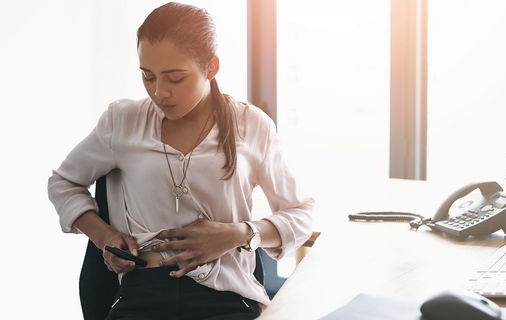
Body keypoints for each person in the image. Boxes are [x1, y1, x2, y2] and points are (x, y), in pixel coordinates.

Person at [47, 2, 313, 319]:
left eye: (175, 78)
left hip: (226, 296)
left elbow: (300, 216)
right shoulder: (123, 121)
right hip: (142, 295)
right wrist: (104, 237)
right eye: (148, 77)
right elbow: (63, 182)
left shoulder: (251, 125)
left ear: (211, 68)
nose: (160, 93)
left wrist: (240, 233)